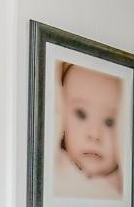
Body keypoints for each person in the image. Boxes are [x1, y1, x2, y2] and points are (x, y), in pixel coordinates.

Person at [52, 61, 123, 198]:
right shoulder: (54, 169)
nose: (94, 134)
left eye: (109, 122)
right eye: (81, 114)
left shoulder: (128, 192)